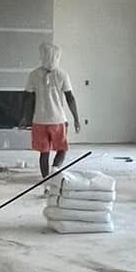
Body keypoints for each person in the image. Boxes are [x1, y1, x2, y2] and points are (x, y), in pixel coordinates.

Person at [22, 40, 80, 179]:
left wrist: (25, 117)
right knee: (62, 149)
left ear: (43, 56)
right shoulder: (62, 74)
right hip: (58, 120)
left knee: (44, 153)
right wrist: (76, 118)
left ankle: (46, 180)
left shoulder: (34, 74)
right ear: (57, 57)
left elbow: (27, 98)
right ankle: (55, 171)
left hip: (39, 120)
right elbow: (70, 98)